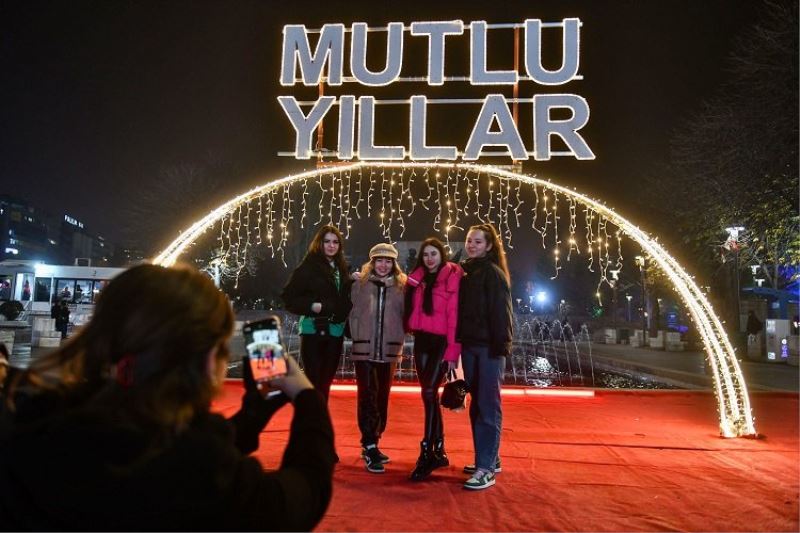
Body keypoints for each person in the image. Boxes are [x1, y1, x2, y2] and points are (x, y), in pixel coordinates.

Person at [0, 264, 336, 531]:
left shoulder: (33, 420)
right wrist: (307, 397)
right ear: (204, 358)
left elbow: (154, 446)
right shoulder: (198, 471)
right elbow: (301, 494)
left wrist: (253, 414)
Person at [456, 223, 513, 490]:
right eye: (469, 240)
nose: (472, 245)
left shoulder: (493, 273)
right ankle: (489, 457)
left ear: (489, 246)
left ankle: (485, 468)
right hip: (469, 346)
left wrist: (501, 347)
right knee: (477, 405)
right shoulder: (466, 271)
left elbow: (502, 313)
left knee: (488, 406)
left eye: (478, 242)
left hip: (489, 348)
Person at [404, 237, 463, 481]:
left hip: (441, 342)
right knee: (427, 395)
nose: (429, 258)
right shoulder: (416, 280)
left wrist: (453, 352)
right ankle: (439, 449)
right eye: (426, 254)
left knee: (429, 392)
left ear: (441, 255)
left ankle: (427, 451)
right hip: (422, 340)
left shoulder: (451, 277)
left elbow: (454, 317)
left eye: (434, 254)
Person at [349, 243, 406, 473]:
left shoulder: (402, 287)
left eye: (388, 261)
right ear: (372, 262)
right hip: (364, 349)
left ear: (394, 264)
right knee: (367, 396)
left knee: (382, 396)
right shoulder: (359, 284)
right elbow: (348, 310)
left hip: (390, 349)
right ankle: (369, 444)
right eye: (379, 260)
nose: (384, 265)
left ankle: (375, 439)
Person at [281, 225, 352, 404]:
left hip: (335, 331)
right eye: (327, 241)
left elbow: (341, 297)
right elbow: (288, 298)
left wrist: (352, 281)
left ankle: (319, 418)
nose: (331, 245)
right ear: (319, 243)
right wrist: (313, 306)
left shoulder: (342, 268)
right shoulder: (308, 267)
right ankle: (312, 418)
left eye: (335, 242)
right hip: (313, 329)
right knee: (313, 381)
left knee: (326, 382)